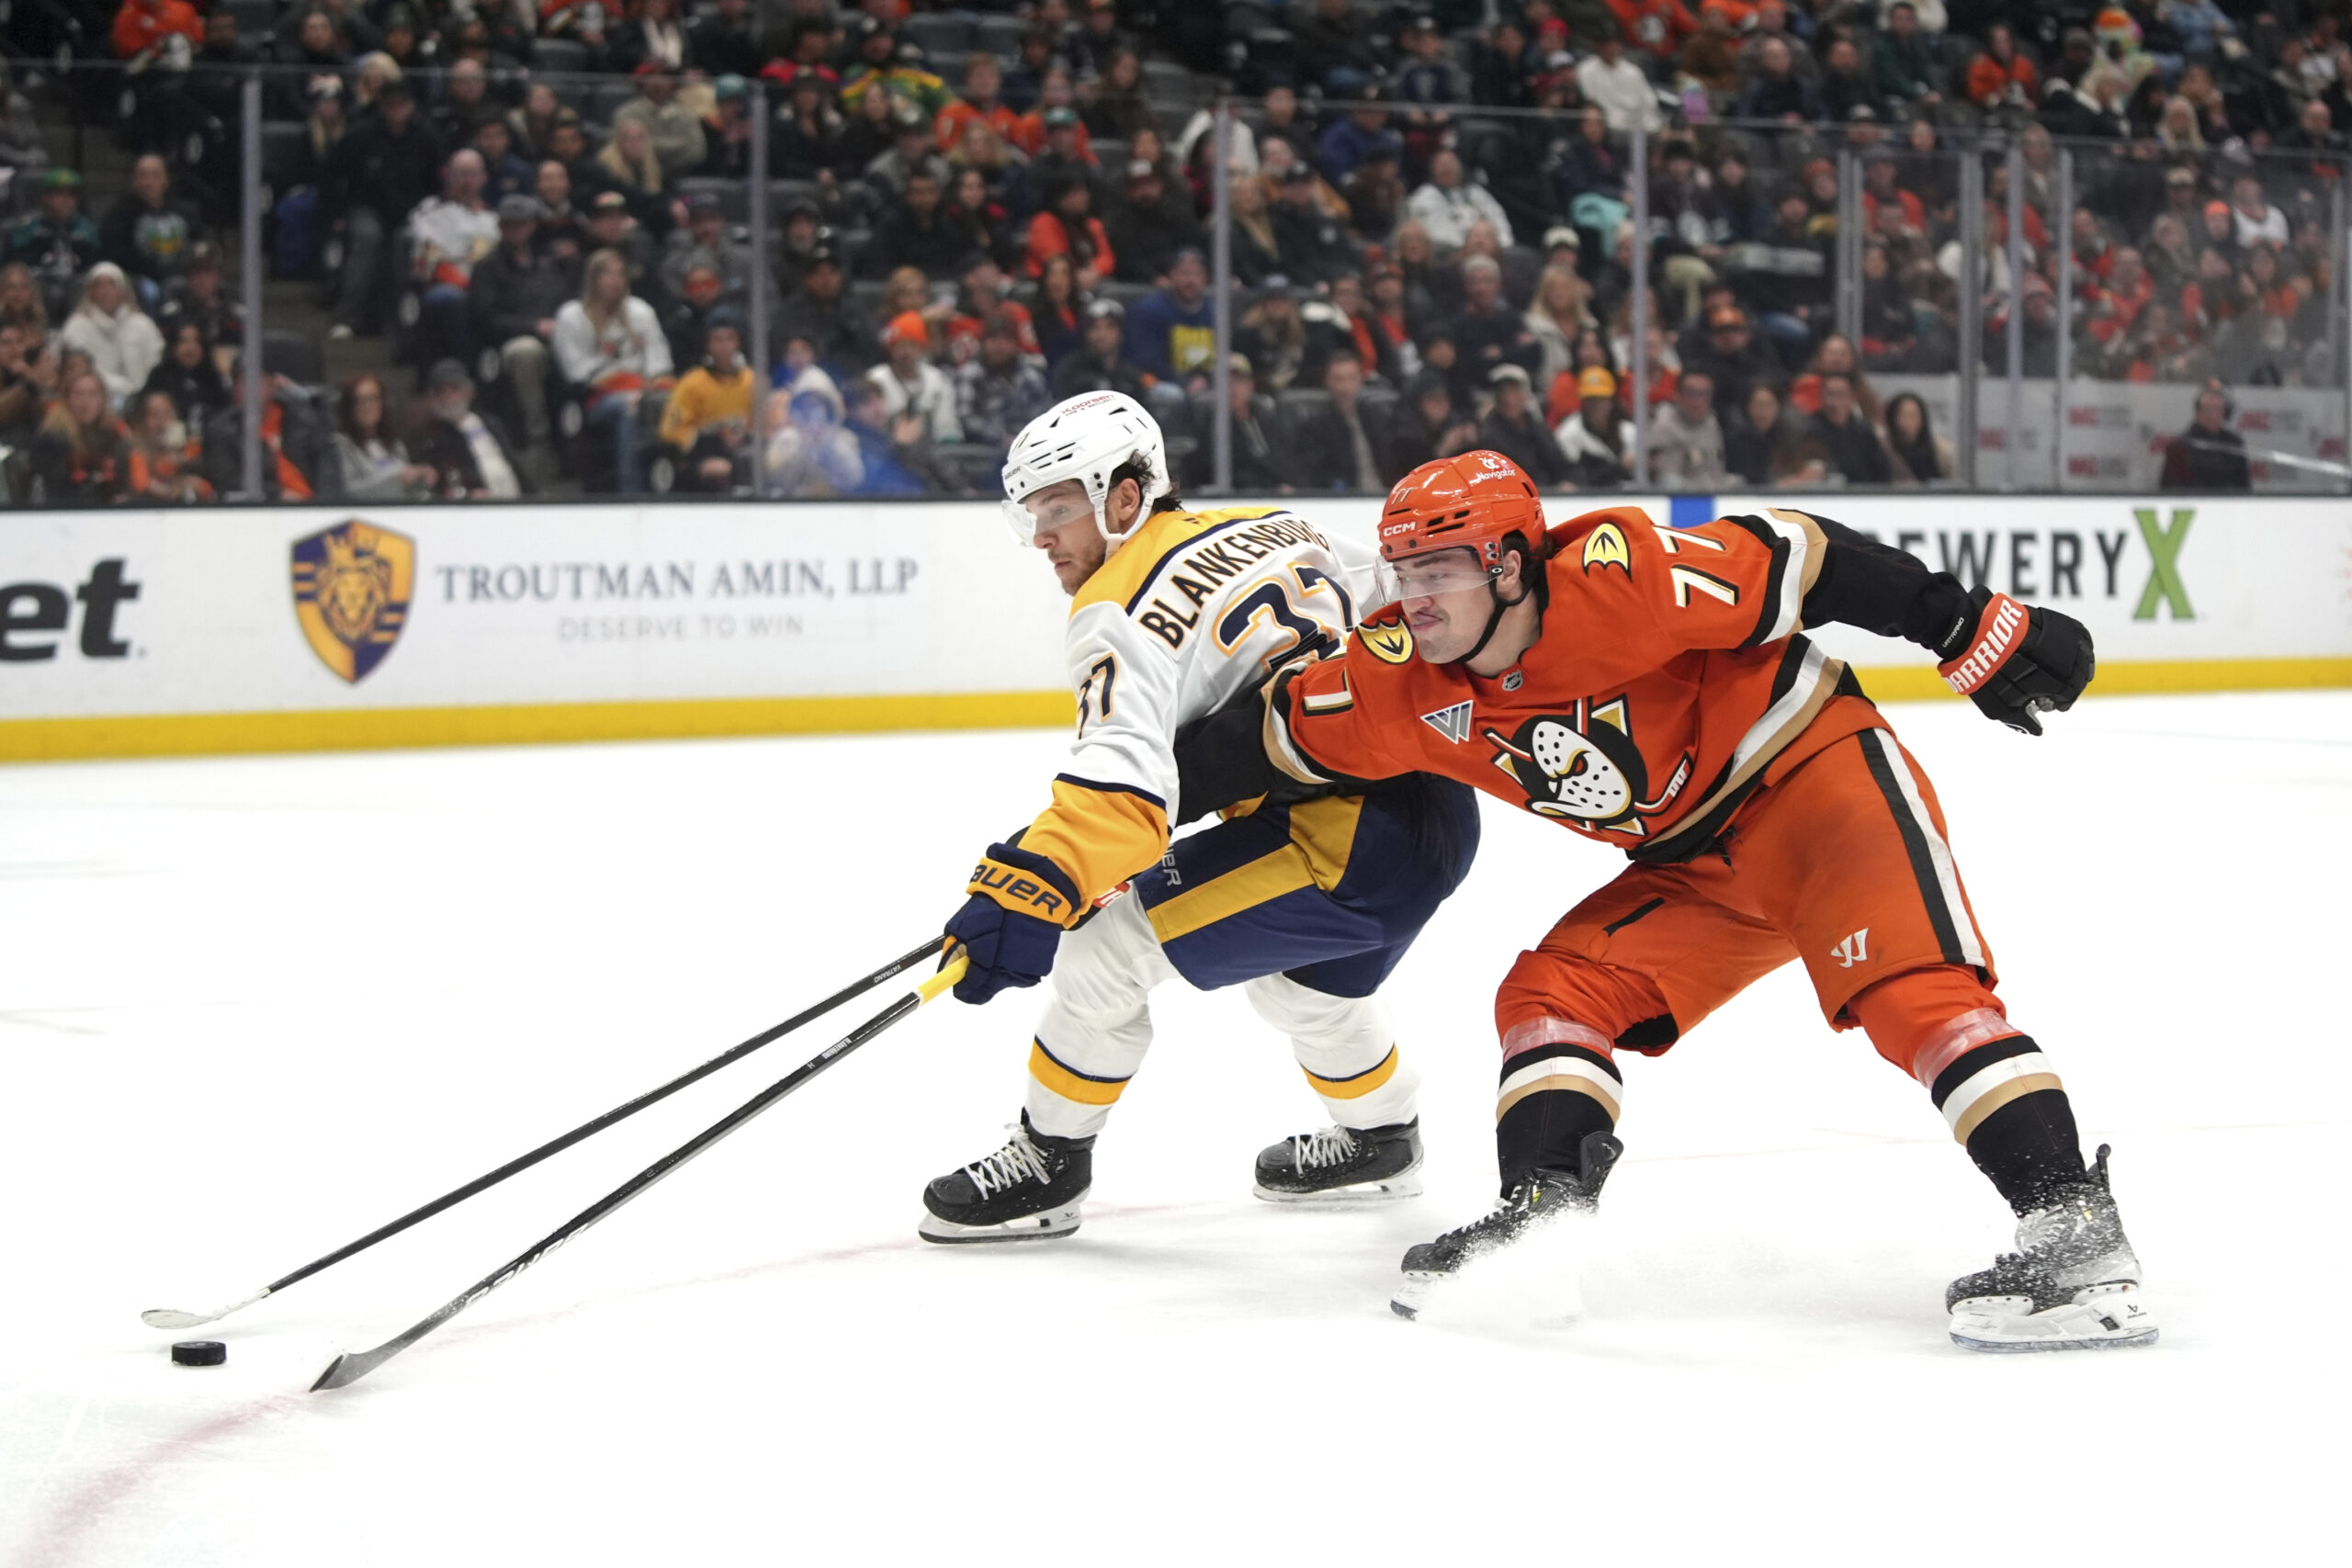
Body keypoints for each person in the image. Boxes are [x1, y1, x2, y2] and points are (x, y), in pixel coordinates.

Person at [1172, 450, 2150, 1351]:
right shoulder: (1390, 683)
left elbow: (1806, 559)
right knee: (1551, 994)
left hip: (1807, 774)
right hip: (1693, 866)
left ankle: (2074, 1231)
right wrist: (1096, 832)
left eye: (1440, 570)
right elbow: (1239, 749)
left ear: (1511, 564)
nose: (1413, 597)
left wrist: (1965, 623)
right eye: (1401, 569)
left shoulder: (1621, 574)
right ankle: (1540, 1223)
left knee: (1914, 997)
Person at [921, 391, 1481, 1241]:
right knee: (1300, 986)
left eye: (1060, 508)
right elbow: (1404, 611)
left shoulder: (1112, 607)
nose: (1042, 536)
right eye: (1031, 513)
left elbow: (1124, 788)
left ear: (1126, 495)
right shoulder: (1279, 525)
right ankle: (1383, 1136)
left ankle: (1049, 1159)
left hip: (1339, 841)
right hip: (1438, 812)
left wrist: (1037, 881)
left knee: (1103, 950)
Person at [552, 248, 674, 494]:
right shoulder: (571, 316)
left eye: (620, 274)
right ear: (593, 279)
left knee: (678, 398)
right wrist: (628, 383)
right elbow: (577, 373)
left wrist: (652, 381)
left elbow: (659, 359)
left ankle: (675, 483)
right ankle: (631, 490)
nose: (615, 281)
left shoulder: (641, 311)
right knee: (629, 405)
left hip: (644, 389)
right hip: (597, 399)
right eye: (608, 275)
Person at [469, 195, 568, 462]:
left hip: (561, 334)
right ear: (500, 227)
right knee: (526, 352)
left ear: (533, 225)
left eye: (522, 223)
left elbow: (566, 297)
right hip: (512, 342)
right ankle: (539, 435)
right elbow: (486, 318)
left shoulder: (549, 261)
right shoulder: (487, 267)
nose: (516, 230)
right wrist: (534, 326)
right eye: (510, 224)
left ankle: (575, 439)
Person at [657, 307, 755, 491]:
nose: (724, 346)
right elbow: (670, 431)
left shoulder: (752, 380)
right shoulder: (692, 383)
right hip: (701, 456)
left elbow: (763, 425)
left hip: (743, 453)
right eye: (717, 340)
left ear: (738, 343)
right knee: (723, 470)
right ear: (707, 344)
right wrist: (710, 439)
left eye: (730, 339)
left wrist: (745, 435)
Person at [99, 153, 206, 308]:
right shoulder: (119, 214)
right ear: (135, 181)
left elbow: (197, 245)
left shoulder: (186, 212)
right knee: (149, 292)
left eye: (156, 175)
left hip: (181, 275)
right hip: (139, 279)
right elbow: (115, 254)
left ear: (166, 180)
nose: (150, 182)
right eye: (144, 176)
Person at [412, 357, 527, 498]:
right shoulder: (431, 437)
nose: (447, 397)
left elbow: (514, 462)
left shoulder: (490, 423)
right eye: (441, 391)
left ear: (469, 392)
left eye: (454, 389)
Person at [58, 264, 165, 410]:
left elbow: (156, 361)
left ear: (123, 290)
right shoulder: (76, 326)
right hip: (96, 401)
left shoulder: (142, 324)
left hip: (143, 399)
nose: (105, 291)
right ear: (90, 292)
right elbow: (81, 369)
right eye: (98, 285)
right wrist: (123, 388)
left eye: (111, 284)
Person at [955, 315, 1054, 457]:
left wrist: (1028, 440)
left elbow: (1045, 413)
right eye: (993, 340)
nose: (999, 347)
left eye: (1005, 341)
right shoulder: (969, 374)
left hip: (1030, 449)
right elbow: (965, 418)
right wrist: (1002, 439)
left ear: (1015, 345)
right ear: (983, 343)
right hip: (984, 452)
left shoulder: (1030, 376)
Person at [1293, 349, 1390, 493]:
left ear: (1360, 380)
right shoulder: (1314, 427)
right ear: (1327, 381)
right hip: (1342, 499)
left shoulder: (1377, 417)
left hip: (1383, 495)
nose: (1345, 387)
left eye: (1351, 378)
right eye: (1338, 379)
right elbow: (1316, 474)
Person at [28, 369, 130, 504]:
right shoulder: (52, 438)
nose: (85, 401)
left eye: (92, 394)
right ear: (66, 399)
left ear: (103, 399)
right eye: (78, 394)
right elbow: (56, 487)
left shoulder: (113, 435)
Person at [332, 371, 436, 501]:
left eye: (373, 399)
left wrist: (420, 479)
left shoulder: (395, 445)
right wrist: (398, 480)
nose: (367, 406)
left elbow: (409, 490)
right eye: (360, 400)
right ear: (349, 407)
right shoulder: (340, 446)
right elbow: (348, 492)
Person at [1124, 247, 1215, 389]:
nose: (1190, 280)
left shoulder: (1215, 312)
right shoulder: (1148, 310)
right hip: (1161, 383)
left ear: (1206, 277)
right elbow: (1144, 361)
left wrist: (1205, 379)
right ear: (1170, 276)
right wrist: (1183, 383)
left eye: (1197, 273)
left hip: (1205, 385)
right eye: (1183, 273)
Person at [1476, 364, 1574, 489]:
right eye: (1502, 392)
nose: (1508, 398)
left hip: (1550, 494)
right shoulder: (1489, 433)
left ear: (1525, 394)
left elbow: (1558, 460)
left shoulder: (1536, 425)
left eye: (1514, 390)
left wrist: (1567, 481)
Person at [1404, 149, 1514, 251]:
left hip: (1486, 251)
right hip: (1447, 253)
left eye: (1451, 163)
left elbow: (1498, 217)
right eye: (1442, 164)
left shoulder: (1476, 192)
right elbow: (1435, 232)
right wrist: (1467, 246)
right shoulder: (1424, 197)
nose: (1447, 167)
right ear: (1433, 169)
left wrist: (1503, 244)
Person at [124, 386, 209, 503]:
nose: (162, 422)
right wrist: (175, 486)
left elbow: (206, 489)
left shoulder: (192, 449)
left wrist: (184, 461)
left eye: (167, 413)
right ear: (143, 422)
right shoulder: (138, 453)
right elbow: (142, 485)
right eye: (154, 415)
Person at [1553, 365, 1634, 487]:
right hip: (1587, 498)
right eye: (1590, 400)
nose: (1595, 406)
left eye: (1601, 399)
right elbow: (1571, 477)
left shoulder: (1630, 432)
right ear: (1582, 402)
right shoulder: (1568, 433)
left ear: (1611, 401)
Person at [2159, 381, 2250, 490]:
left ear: (2224, 413)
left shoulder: (2234, 444)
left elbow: (2244, 488)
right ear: (2197, 412)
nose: (2212, 415)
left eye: (2217, 409)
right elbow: (2169, 489)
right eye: (2207, 409)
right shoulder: (2179, 447)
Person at [1806, 372, 1894, 485]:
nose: (1833, 402)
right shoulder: (1809, 429)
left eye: (1840, 395)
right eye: (1829, 394)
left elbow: (1882, 472)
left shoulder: (1864, 431)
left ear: (1852, 399)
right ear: (1821, 397)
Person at [1647, 368, 1726, 487]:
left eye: (1705, 394)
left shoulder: (1711, 423)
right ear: (1678, 395)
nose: (1699, 401)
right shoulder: (1665, 425)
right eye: (1692, 393)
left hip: (1714, 493)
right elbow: (1667, 478)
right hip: (1681, 497)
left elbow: (1717, 467)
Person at [1883, 391, 1951, 485]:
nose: (1908, 422)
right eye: (1903, 416)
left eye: (1913, 416)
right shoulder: (1884, 450)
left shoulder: (1939, 451)